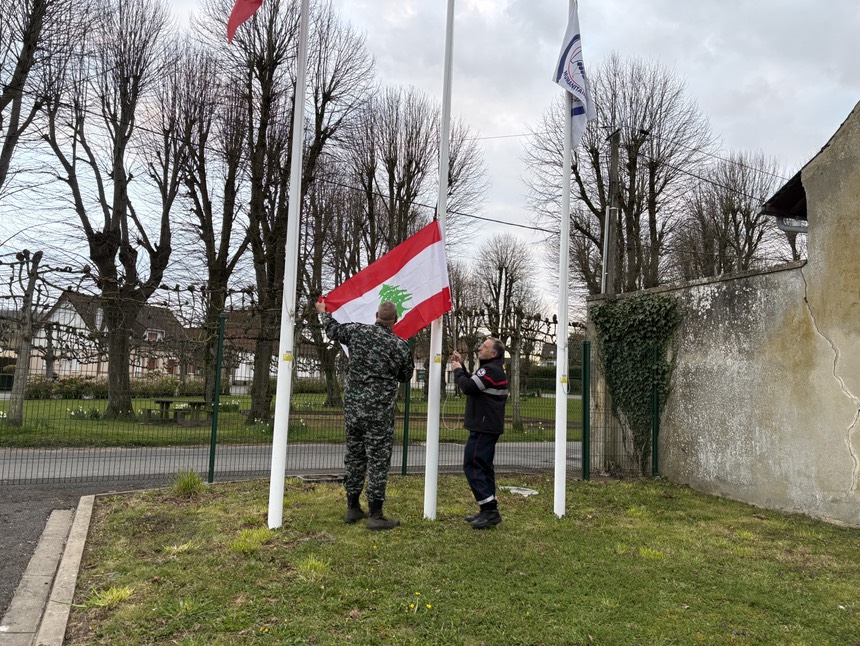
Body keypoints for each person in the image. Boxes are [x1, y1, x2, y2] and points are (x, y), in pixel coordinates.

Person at [315, 299, 413, 530]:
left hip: (354, 410)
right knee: (378, 460)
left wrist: (323, 313)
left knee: (355, 456)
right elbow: (406, 376)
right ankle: (376, 514)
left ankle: (352, 507)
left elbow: (333, 330)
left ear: (376, 315)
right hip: (379, 413)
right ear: (395, 320)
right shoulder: (399, 345)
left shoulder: (357, 332)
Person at [450, 337, 509, 529]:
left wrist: (457, 370)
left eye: (484, 347)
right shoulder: (491, 370)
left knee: (473, 464)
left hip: (484, 426)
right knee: (484, 466)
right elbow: (475, 384)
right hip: (487, 425)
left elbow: (468, 387)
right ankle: (487, 510)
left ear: (493, 354)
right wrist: (462, 367)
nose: (479, 349)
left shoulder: (490, 370)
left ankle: (490, 510)